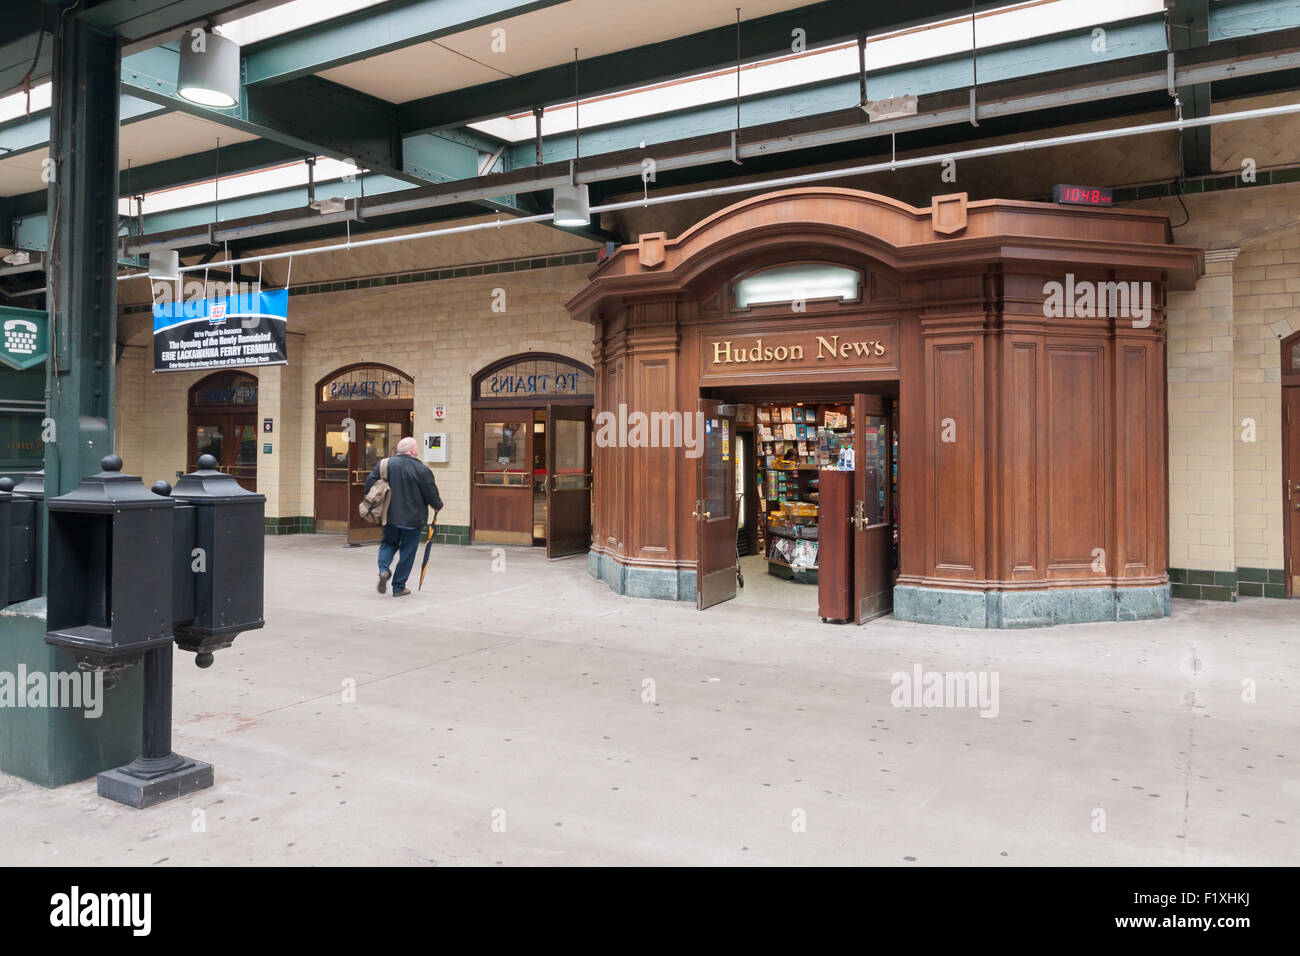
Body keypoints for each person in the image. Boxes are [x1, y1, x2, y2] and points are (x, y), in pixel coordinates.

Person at [364, 436, 443, 597]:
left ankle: (384, 570)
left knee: (387, 544)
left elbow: (369, 485)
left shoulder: (384, 464)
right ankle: (399, 587)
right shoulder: (422, 469)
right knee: (408, 551)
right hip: (412, 519)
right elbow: (431, 493)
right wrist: (438, 506)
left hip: (389, 515)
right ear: (413, 451)